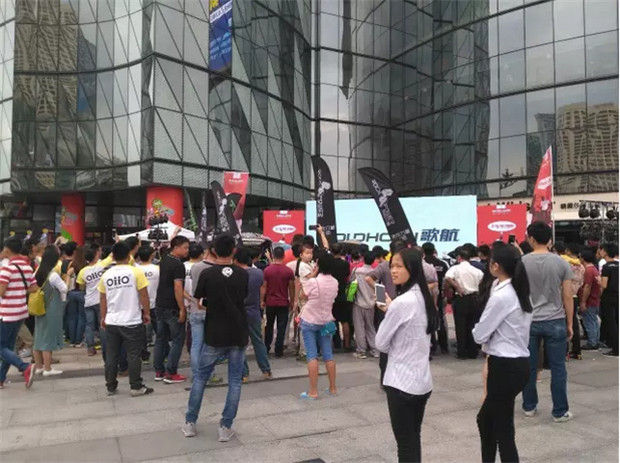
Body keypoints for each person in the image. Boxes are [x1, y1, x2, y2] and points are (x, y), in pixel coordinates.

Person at [183, 234, 248, 441]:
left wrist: (211, 306)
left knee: (201, 377)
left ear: (213, 251)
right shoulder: (243, 274)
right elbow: (243, 297)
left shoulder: (207, 274)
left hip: (214, 332)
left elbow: (199, 300)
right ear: (234, 250)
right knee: (235, 380)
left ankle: (190, 423)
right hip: (238, 331)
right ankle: (225, 426)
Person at [375, 249, 438, 463]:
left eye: (399, 266)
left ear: (412, 268)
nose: (393, 270)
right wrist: (391, 309)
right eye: (392, 266)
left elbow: (381, 343)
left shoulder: (402, 303)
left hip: (401, 382)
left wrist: (389, 311)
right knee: (413, 438)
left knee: (405, 444)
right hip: (422, 381)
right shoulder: (422, 296)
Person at [473, 244, 533, 463]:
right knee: (487, 421)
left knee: (502, 428)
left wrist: (479, 332)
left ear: (496, 266)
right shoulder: (518, 290)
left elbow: (480, 334)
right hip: (516, 363)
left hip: (505, 366)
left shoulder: (502, 295)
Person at [521, 221, 574, 422]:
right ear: (550, 239)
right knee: (558, 368)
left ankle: (529, 406)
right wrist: (570, 323)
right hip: (555, 319)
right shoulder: (561, 263)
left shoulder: (522, 262)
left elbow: (518, 294)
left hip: (529, 320)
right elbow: (567, 295)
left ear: (531, 239)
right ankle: (559, 411)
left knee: (529, 366)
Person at [98, 241, 153, 397]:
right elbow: (144, 295)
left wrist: (103, 316)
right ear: (129, 255)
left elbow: (102, 298)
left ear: (113, 257)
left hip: (112, 321)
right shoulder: (136, 272)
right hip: (132, 320)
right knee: (133, 354)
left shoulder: (106, 275)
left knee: (111, 355)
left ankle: (110, 385)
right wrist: (147, 312)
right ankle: (136, 386)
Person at [366, 239, 408, 385]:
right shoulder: (406, 265)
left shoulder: (385, 265)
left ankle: (385, 379)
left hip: (389, 307)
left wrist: (381, 293)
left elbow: (368, 278)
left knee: (385, 343)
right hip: (399, 307)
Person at [298, 253, 339, 400]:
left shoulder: (313, 281)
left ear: (318, 265)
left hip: (310, 319)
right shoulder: (335, 282)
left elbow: (302, 296)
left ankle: (313, 391)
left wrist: (313, 275)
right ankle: (333, 387)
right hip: (326, 321)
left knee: (312, 355)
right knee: (328, 355)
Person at [0, 238, 37, 389]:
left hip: (7, 313)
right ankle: (1, 378)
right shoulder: (26, 267)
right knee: (8, 347)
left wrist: (12, 290)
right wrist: (20, 290)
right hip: (21, 311)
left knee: (1, 348)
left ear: (7, 250)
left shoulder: (7, 269)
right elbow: (34, 288)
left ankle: (24, 367)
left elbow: (2, 292)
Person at [153, 236, 190, 384]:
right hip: (172, 306)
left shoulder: (164, 259)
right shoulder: (178, 265)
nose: (187, 251)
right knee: (177, 340)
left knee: (160, 339)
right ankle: (171, 372)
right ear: (176, 247)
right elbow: (177, 287)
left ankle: (159, 370)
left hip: (160, 304)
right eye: (185, 247)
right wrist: (182, 308)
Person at [234, 248, 271, 381]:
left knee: (240, 344)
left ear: (236, 260)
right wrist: (261, 301)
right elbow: (262, 288)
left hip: (239, 312)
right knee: (258, 341)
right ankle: (266, 369)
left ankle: (244, 373)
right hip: (254, 311)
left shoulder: (235, 274)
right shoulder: (258, 273)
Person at [32, 245, 69, 376]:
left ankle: (39, 367)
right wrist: (68, 278)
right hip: (51, 309)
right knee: (48, 339)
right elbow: (64, 288)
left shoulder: (37, 272)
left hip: (38, 307)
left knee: (38, 338)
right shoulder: (53, 275)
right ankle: (48, 369)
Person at [445, 248, 484, 359]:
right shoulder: (476, 270)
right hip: (474, 298)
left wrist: (457, 287)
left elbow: (448, 277)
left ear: (459, 258)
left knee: (460, 326)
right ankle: (473, 351)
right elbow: (482, 281)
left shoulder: (456, 268)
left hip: (461, 298)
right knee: (472, 325)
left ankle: (461, 351)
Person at [261, 246, 295, 357]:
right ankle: (278, 350)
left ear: (273, 256)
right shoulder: (288, 271)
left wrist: (262, 300)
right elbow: (291, 288)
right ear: (283, 256)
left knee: (269, 325)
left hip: (270, 302)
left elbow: (264, 287)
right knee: (281, 327)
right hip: (283, 302)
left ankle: (266, 347)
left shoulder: (267, 270)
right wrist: (292, 301)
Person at [287, 243, 314, 360]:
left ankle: (305, 349)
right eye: (307, 253)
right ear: (301, 255)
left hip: (308, 297)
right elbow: (311, 277)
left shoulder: (308, 264)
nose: (309, 255)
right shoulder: (303, 266)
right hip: (304, 298)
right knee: (305, 324)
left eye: (311, 253)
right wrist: (317, 269)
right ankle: (304, 350)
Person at [76, 246, 104, 356]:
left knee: (89, 325)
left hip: (88, 301)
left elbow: (81, 286)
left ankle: (90, 349)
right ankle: (105, 345)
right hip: (100, 300)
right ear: (96, 255)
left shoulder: (83, 271)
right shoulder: (101, 266)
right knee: (102, 323)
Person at [558, 243, 585, 360]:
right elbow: (581, 283)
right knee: (574, 323)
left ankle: (565, 352)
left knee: (564, 324)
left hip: (563, 296)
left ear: (568, 251)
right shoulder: (581, 267)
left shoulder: (565, 264)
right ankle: (577, 350)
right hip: (574, 296)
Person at [422, 243, 449, 354]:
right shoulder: (442, 264)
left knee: (427, 319)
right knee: (440, 319)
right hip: (439, 295)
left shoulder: (422, 265)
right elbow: (446, 281)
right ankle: (444, 346)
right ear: (434, 250)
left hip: (425, 296)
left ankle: (432, 345)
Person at [352, 251, 379, 359]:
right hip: (371, 303)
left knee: (359, 327)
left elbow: (351, 283)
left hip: (359, 302)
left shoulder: (357, 271)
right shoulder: (375, 273)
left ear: (362, 258)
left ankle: (361, 350)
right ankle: (375, 350)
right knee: (370, 327)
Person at [330, 242, 353, 351]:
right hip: (343, 294)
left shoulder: (329, 264)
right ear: (341, 251)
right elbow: (347, 275)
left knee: (332, 320)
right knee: (345, 321)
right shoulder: (345, 264)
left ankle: (336, 342)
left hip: (331, 294)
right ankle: (347, 344)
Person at [579, 249, 601, 350]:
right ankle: (595, 340)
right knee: (594, 321)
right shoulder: (594, 270)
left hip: (589, 301)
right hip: (595, 299)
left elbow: (587, 287)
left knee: (589, 321)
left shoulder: (588, 271)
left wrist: (583, 301)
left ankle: (592, 342)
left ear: (583, 259)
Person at [137, 246, 159, 348]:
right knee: (159, 329)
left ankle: (143, 351)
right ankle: (163, 350)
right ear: (152, 255)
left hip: (139, 304)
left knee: (140, 331)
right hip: (155, 302)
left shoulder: (135, 270)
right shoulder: (157, 269)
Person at [65, 246, 87, 347]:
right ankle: (78, 340)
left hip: (72, 292)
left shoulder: (72, 264)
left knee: (72, 317)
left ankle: (72, 340)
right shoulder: (86, 265)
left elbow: (68, 277)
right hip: (82, 292)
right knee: (81, 317)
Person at [599, 243, 619, 357]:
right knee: (617, 321)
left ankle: (615, 348)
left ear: (606, 252)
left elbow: (604, 285)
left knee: (611, 322)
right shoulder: (618, 265)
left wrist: (599, 281)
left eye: (602, 250)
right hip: (617, 295)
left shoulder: (606, 266)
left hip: (609, 297)